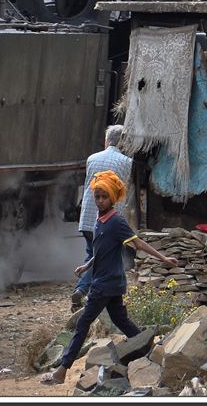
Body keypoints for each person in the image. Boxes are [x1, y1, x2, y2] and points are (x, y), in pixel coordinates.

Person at [41, 171, 178, 385]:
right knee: (120, 320)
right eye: (97, 196)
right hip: (111, 283)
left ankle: (62, 371)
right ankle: (149, 350)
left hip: (105, 285)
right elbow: (101, 249)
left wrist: (164, 258)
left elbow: (139, 244)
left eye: (104, 197)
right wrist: (87, 265)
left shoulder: (116, 221)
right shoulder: (100, 220)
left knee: (83, 324)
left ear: (112, 198)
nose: (100, 200)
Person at [71, 124, 133, 311]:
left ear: (107, 141)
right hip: (108, 221)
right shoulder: (127, 162)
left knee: (94, 256)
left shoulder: (92, 158)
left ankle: (88, 296)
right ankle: (83, 291)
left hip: (87, 218)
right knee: (100, 258)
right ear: (123, 143)